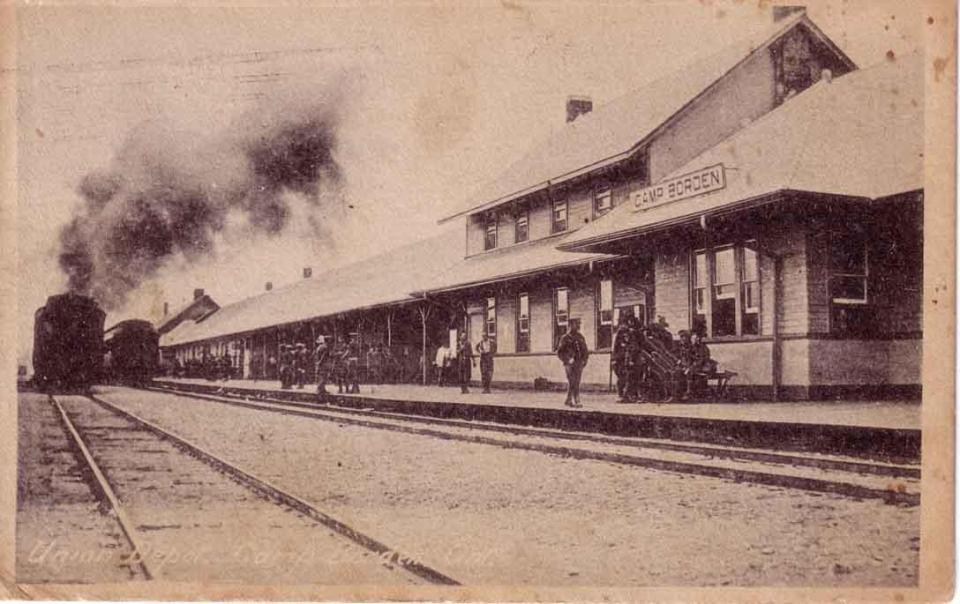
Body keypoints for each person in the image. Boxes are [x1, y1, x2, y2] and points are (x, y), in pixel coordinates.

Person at [557, 318, 589, 408]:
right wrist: (567, 359)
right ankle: (576, 400)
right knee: (572, 381)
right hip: (569, 364)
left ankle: (568, 399)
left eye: (579, 324)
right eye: (576, 324)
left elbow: (585, 350)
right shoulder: (565, 338)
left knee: (576, 381)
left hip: (579, 363)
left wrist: (584, 360)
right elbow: (559, 352)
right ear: (570, 325)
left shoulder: (580, 337)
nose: (578, 326)